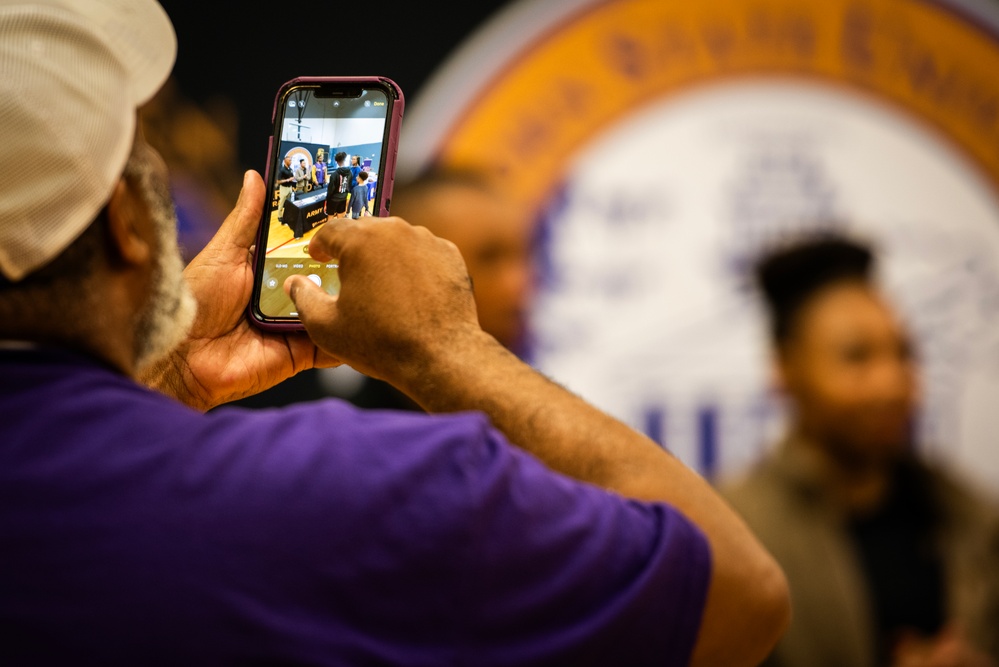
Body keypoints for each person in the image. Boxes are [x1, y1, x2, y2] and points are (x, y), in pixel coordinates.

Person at [0, 2, 791, 664]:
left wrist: (166, 382)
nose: (515, 281)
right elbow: (736, 591)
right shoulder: (357, 485)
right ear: (127, 226)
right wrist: (445, 349)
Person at [718, 234, 999, 667]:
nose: (892, 384)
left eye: (904, 354)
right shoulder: (735, 536)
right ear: (784, 369)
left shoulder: (968, 517)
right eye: (857, 358)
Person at [325, 150, 351, 219]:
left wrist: (327, 199)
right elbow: (349, 186)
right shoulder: (350, 173)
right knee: (340, 218)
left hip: (333, 199)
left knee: (330, 217)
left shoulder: (334, 175)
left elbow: (330, 190)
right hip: (343, 198)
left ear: (337, 162)